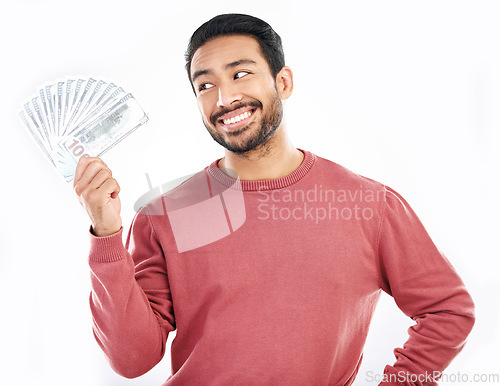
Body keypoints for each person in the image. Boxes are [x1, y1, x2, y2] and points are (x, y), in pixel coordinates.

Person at [74, 13, 475, 386]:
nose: (224, 98)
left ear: (282, 82)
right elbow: (132, 360)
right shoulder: (166, 215)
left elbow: (448, 310)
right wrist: (106, 232)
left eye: (241, 74)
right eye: (206, 85)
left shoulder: (368, 204)